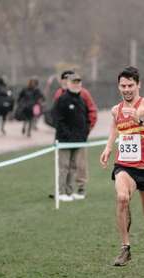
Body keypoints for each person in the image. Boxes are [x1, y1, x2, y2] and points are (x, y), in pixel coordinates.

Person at [100, 66, 144, 266]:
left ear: (138, 85)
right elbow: (115, 127)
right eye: (123, 86)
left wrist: (141, 120)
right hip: (125, 165)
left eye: (130, 85)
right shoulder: (115, 110)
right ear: (118, 86)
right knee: (122, 198)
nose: (126, 89)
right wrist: (108, 147)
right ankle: (125, 247)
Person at [53, 73, 91, 201]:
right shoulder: (63, 99)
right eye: (74, 82)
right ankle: (61, 191)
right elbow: (58, 120)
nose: (77, 84)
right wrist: (67, 135)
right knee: (64, 166)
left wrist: (84, 133)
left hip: (78, 140)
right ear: (68, 83)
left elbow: (86, 119)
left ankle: (69, 191)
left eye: (79, 82)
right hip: (65, 141)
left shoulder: (80, 99)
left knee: (74, 166)